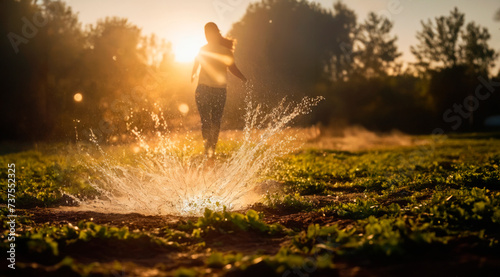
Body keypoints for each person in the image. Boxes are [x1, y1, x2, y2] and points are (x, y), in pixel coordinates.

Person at [191, 22, 247, 158]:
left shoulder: (225, 51)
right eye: (205, 33)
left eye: (209, 33)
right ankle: (207, 150)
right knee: (206, 121)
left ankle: (212, 150)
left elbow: (232, 68)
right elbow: (196, 62)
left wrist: (243, 78)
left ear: (216, 33)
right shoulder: (202, 49)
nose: (207, 36)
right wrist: (192, 74)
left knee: (215, 121)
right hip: (203, 89)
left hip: (219, 91)